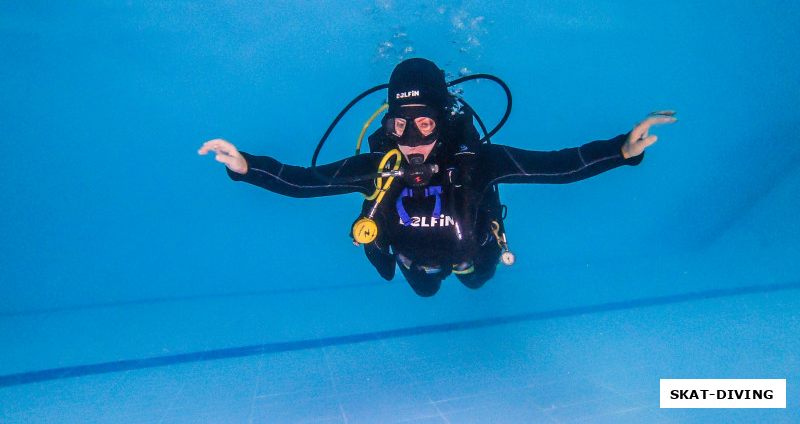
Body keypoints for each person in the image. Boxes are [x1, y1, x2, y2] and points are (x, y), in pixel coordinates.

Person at [199, 58, 675, 297]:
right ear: (388, 126)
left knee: (474, 280)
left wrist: (622, 150)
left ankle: (467, 269)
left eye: (424, 123)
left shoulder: (479, 161)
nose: (411, 139)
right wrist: (246, 165)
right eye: (399, 125)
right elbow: (303, 182)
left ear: (443, 121)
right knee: (424, 290)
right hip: (410, 258)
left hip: (471, 253)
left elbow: (559, 167)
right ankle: (417, 268)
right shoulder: (381, 169)